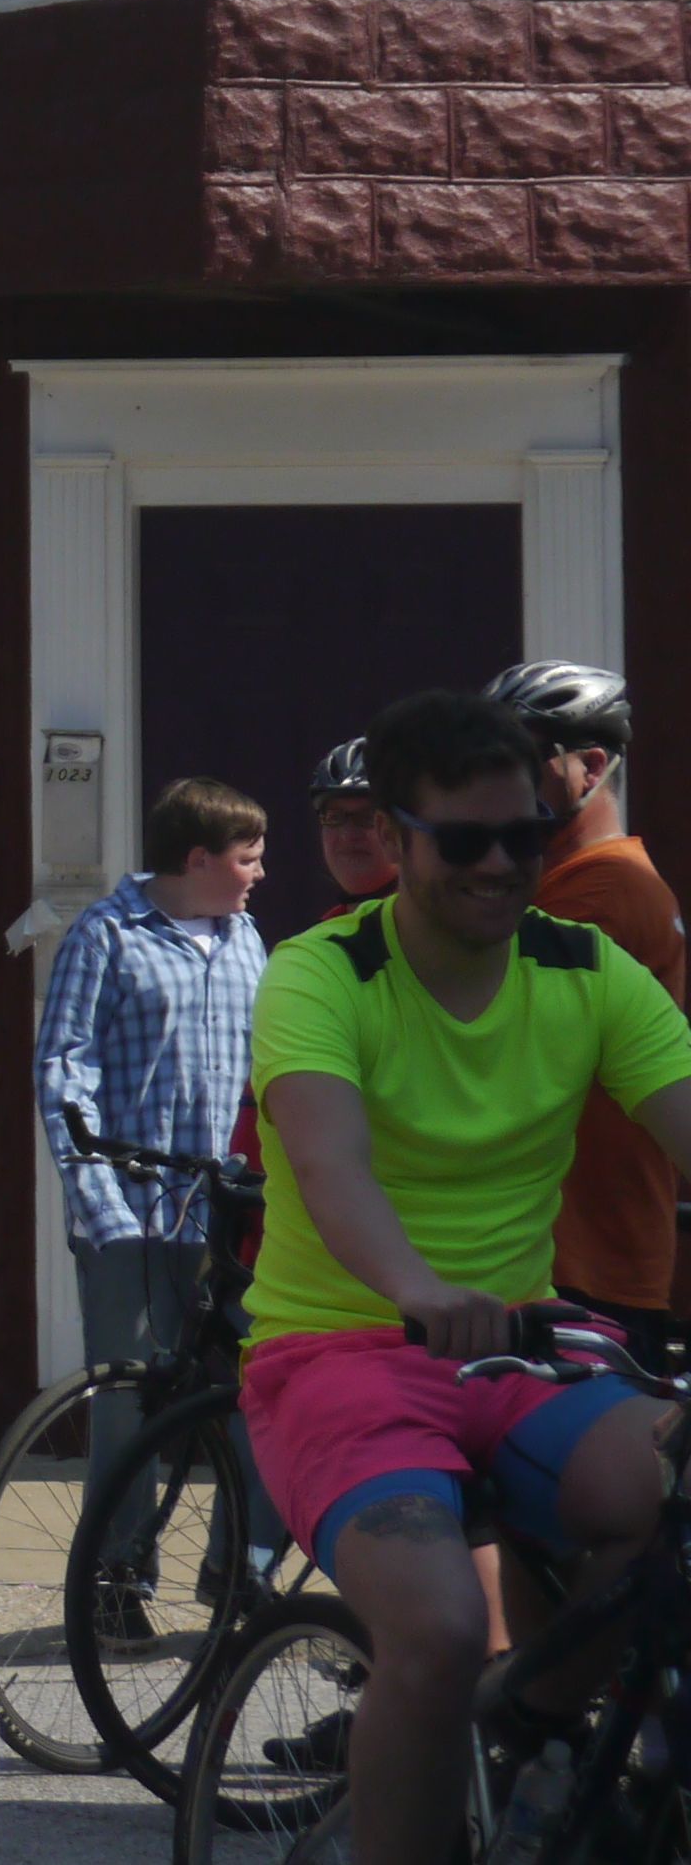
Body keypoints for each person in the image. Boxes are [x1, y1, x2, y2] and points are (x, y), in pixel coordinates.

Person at [239, 687, 691, 1865]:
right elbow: (328, 1165)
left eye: (522, 836)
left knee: (665, 1506)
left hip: (521, 1355)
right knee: (438, 1628)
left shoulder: (583, 966)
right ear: (394, 839)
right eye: (464, 839)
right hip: (335, 1355)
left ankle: (530, 1738)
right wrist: (414, 1284)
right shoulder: (319, 973)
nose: (499, 864)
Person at [34, 775, 267, 1589]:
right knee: (128, 1401)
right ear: (198, 859)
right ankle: (117, 1582)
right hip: (131, 1212)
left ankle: (236, 1573)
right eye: (248, 858)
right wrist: (99, 1198)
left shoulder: (247, 939)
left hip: (227, 1216)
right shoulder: (106, 934)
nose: (260, 874)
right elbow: (64, 1070)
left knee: (253, 1391)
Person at [485, 661, 686, 1348]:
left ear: (591, 766)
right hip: (572, 1251)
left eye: (517, 759)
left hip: (581, 1260)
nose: (495, 781)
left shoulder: (601, 893)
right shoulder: (577, 880)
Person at [309, 739, 397, 905]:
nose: (348, 835)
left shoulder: (440, 920)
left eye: (368, 817)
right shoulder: (330, 922)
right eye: (334, 817)